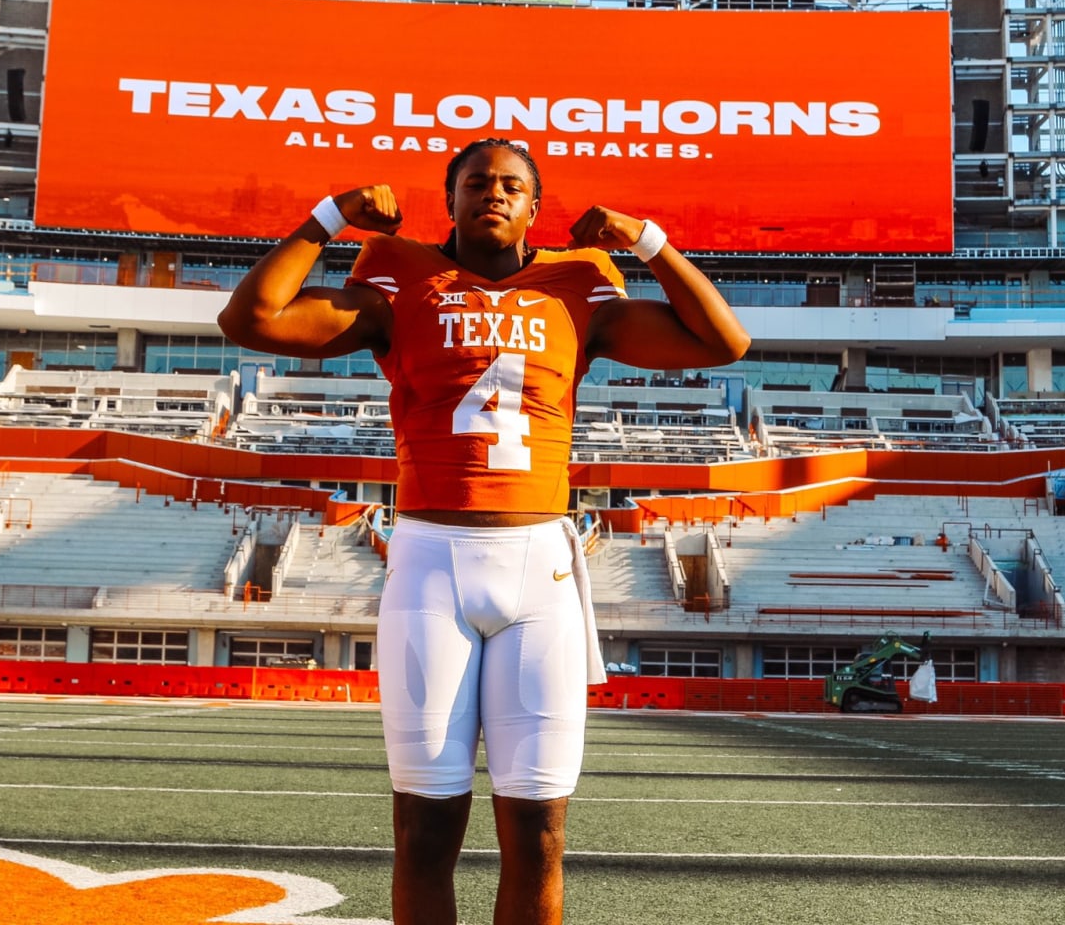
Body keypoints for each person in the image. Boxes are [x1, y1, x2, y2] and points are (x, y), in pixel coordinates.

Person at [217, 139, 749, 925]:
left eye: (510, 185)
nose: (492, 194)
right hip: (432, 560)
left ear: (536, 206)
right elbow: (249, 318)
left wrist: (647, 241)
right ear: (452, 200)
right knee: (424, 829)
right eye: (475, 182)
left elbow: (724, 342)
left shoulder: (577, 287)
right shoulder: (402, 283)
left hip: (540, 567)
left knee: (537, 831)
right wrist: (327, 218)